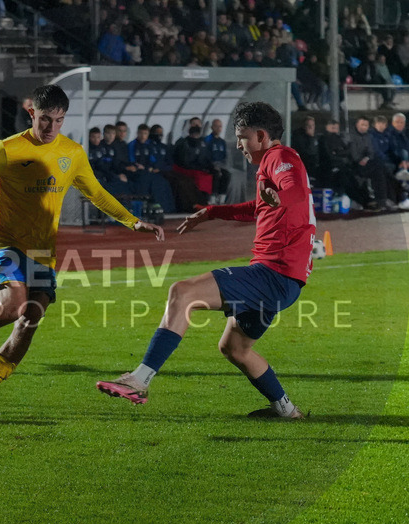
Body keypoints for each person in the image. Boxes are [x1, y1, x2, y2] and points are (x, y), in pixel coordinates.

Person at [0, 84, 165, 420]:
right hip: (6, 243)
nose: (51, 128)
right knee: (12, 307)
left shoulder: (72, 153)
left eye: (59, 120)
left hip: (43, 251)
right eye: (45, 119)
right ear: (32, 113)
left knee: (30, 319)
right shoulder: (8, 149)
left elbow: (97, 193)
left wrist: (133, 222)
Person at [96, 101, 312, 419]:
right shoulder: (272, 164)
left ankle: (139, 380)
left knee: (182, 292)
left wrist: (279, 196)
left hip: (273, 275)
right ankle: (287, 410)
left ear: (262, 136)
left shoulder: (279, 157)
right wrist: (211, 212)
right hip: (282, 280)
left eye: (242, 137)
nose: (238, 144)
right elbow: (261, 207)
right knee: (234, 348)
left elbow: (293, 193)